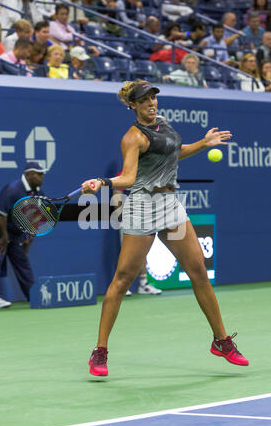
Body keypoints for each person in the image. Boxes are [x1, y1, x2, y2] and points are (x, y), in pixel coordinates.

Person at [82, 79, 249, 376]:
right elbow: (130, 177)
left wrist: (202, 144)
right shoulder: (133, 137)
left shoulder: (164, 124)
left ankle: (221, 341)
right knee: (122, 279)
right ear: (132, 105)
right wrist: (103, 182)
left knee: (198, 270)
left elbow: (175, 152)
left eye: (153, 97)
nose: (151, 103)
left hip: (170, 205)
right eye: (144, 100)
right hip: (143, 207)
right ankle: (100, 351)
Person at [0, 162, 46, 308]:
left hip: (17, 230)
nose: (42, 177)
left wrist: (29, 237)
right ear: (29, 175)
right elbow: (0, 215)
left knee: (22, 261)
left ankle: (33, 296)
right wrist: (4, 238)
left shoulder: (39, 193)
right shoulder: (13, 189)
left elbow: (35, 218)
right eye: (39, 174)